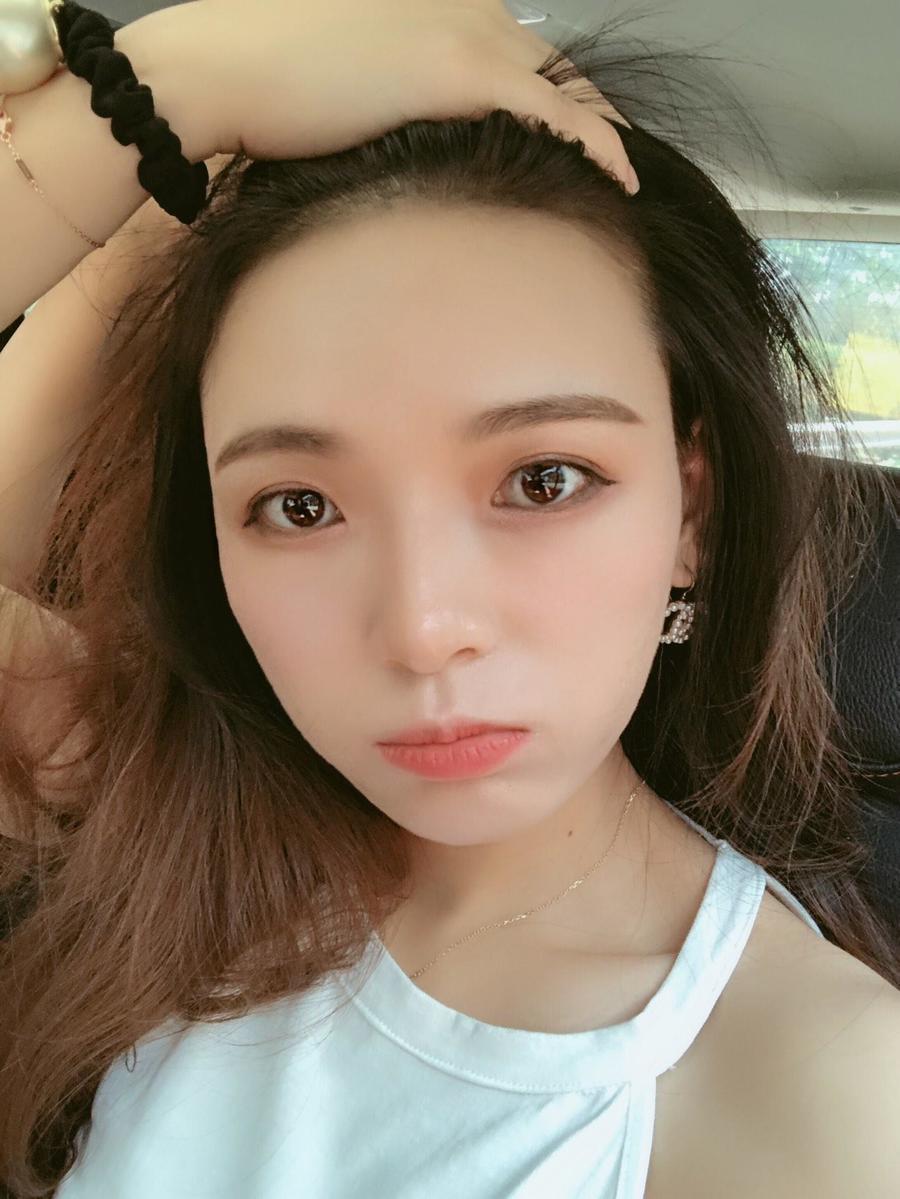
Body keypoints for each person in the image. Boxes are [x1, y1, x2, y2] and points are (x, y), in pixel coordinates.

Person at [0, 1, 897, 1196]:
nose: (424, 630)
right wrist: (182, 96)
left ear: (692, 513)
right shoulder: (167, 811)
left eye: (544, 480)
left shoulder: (826, 1093)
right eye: (299, 505)